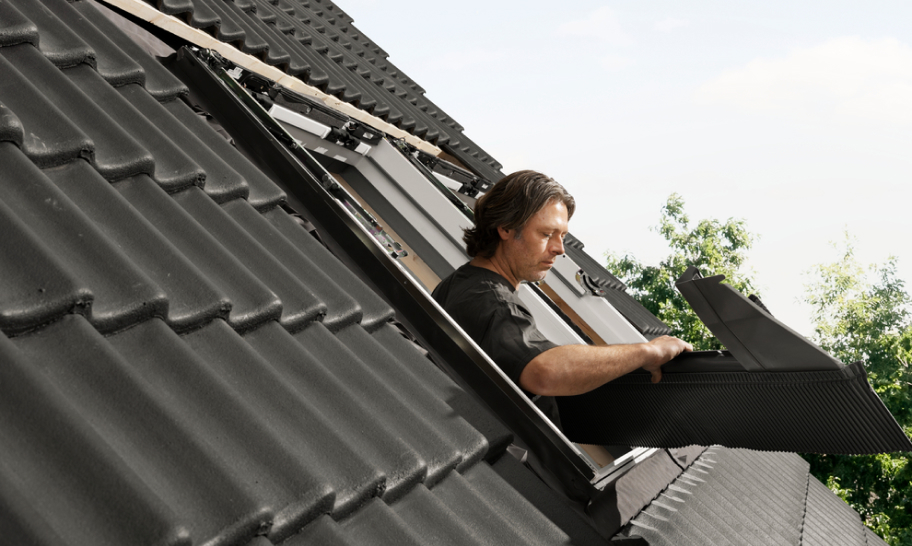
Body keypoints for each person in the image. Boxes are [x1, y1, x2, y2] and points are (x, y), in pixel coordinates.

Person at [432, 170, 692, 425]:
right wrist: (649, 351)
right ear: (506, 228)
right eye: (546, 234)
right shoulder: (490, 300)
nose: (559, 248)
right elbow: (543, 372)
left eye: (563, 236)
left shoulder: (462, 283)